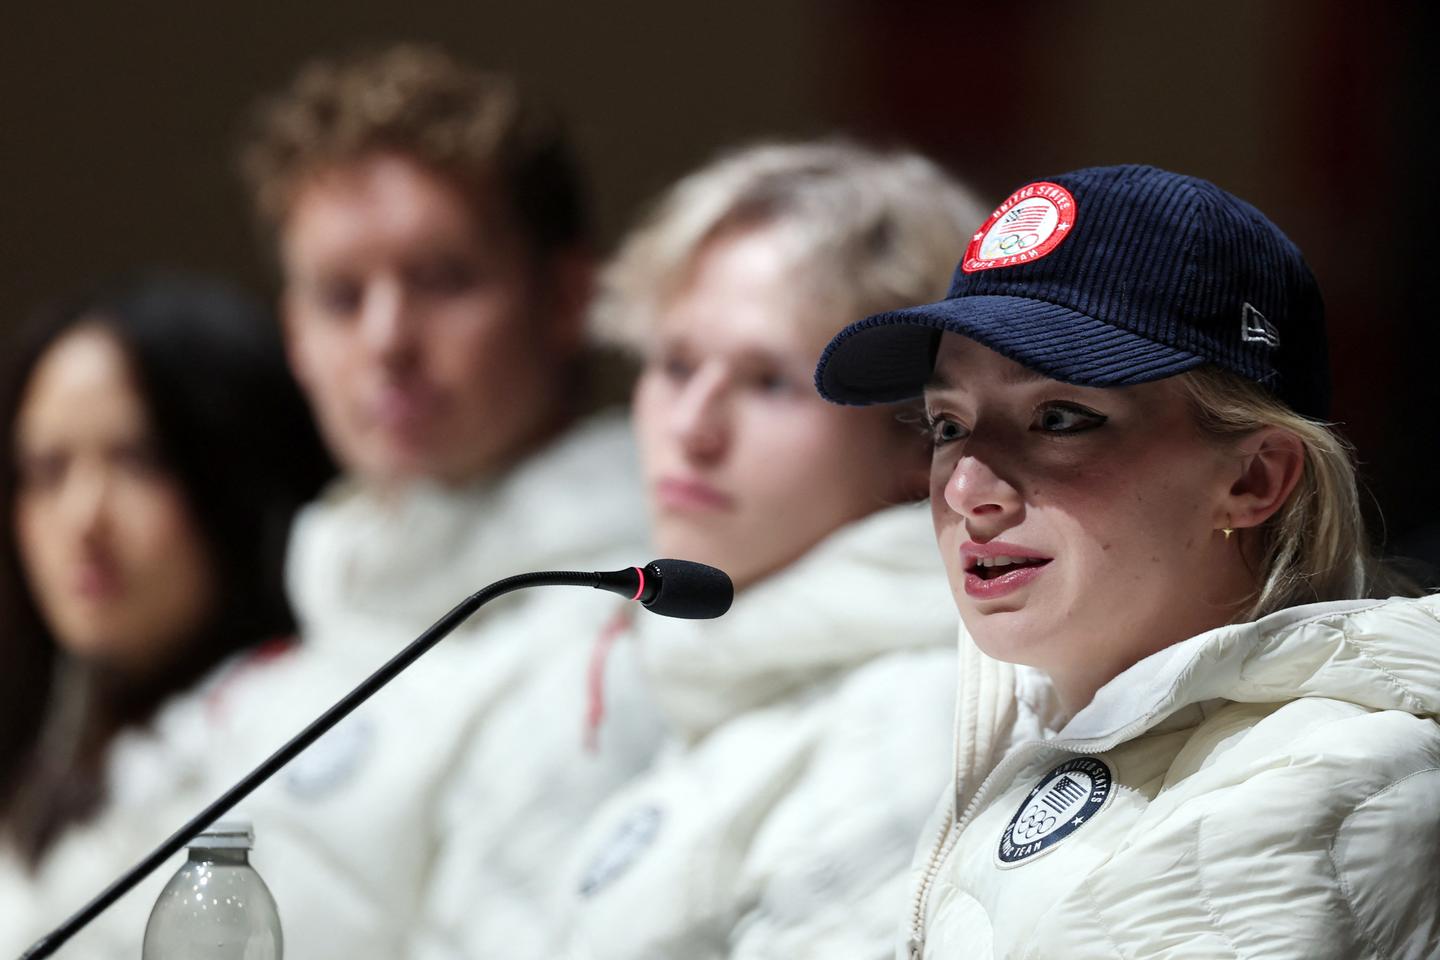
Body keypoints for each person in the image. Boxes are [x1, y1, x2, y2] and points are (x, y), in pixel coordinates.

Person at [814, 163, 1440, 959]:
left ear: (1253, 480)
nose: (968, 486)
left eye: (1061, 417)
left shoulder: (1330, 787)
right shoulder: (1029, 737)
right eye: (947, 424)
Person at [208, 44, 656, 959]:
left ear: (568, 298)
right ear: (293, 333)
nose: (387, 339)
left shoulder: (634, 617)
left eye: (443, 279)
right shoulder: (304, 616)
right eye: (340, 296)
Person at [528, 140, 1001, 959]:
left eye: (769, 382)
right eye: (674, 365)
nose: (692, 429)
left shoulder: (917, 712)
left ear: (917, 432)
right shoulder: (703, 670)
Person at [0, 272, 331, 956]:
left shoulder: (324, 733)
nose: (82, 517)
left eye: (135, 459)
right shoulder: (51, 767)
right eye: (46, 470)